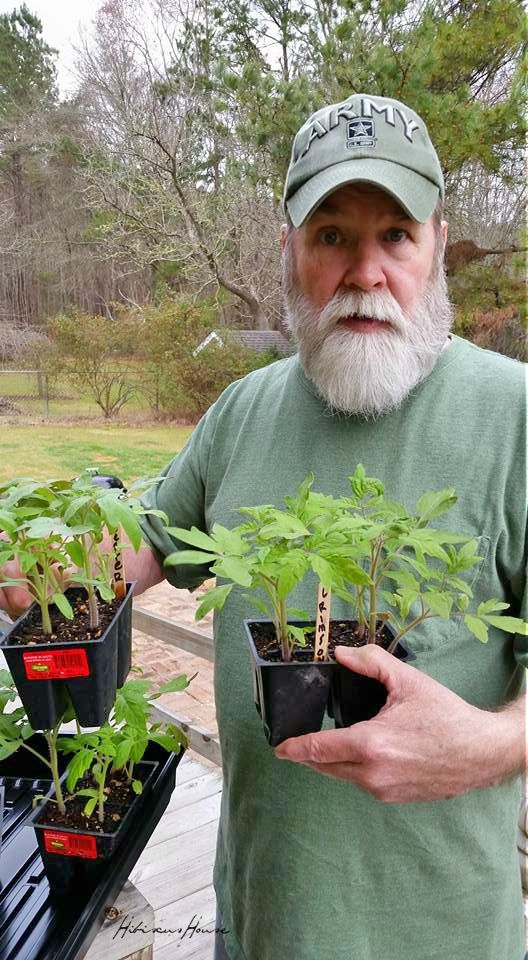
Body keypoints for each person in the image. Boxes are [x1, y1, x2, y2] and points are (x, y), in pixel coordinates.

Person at [1, 93, 526, 960]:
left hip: (441, 936)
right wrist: (40, 557)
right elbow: (138, 544)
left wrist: (491, 744)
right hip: (258, 923)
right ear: (289, 252)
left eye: (394, 234)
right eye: (331, 236)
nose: (365, 271)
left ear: (437, 243)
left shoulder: (515, 417)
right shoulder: (242, 411)